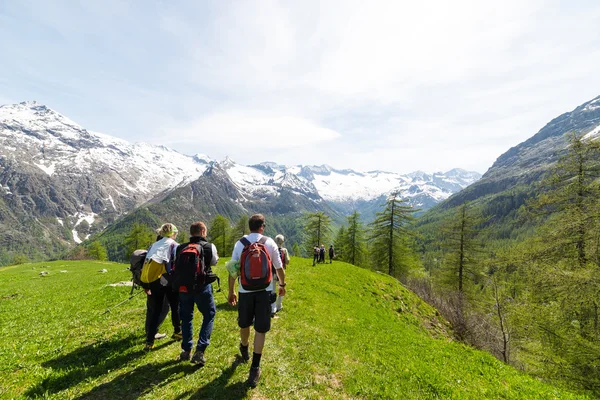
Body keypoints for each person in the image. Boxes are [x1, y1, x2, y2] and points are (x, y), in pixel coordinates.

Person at [228, 214, 286, 387]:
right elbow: (279, 267)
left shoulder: (240, 243)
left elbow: (232, 269)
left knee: (244, 324)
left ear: (249, 226)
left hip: (245, 290)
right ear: (262, 226)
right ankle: (255, 367)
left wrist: (231, 291)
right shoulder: (270, 243)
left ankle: (244, 346)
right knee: (261, 329)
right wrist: (282, 284)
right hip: (265, 292)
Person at [174, 221, 219, 365]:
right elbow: (214, 262)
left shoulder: (181, 247)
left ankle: (186, 350)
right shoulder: (208, 246)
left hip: (183, 288)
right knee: (209, 314)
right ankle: (200, 350)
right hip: (202, 287)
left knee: (186, 317)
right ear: (203, 231)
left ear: (191, 232)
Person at [142, 223, 180, 351]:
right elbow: (175, 263)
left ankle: (149, 342)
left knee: (156, 310)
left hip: (153, 281)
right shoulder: (174, 245)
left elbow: (146, 263)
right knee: (175, 305)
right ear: (173, 233)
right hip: (167, 280)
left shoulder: (154, 245)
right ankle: (177, 331)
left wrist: (146, 285)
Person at [272, 234, 290, 315]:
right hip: (281, 272)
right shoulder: (284, 250)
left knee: (272, 290)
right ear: (282, 242)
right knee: (281, 288)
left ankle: (272, 307)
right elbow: (287, 261)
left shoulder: (272, 249)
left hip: (272, 272)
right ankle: (279, 305)